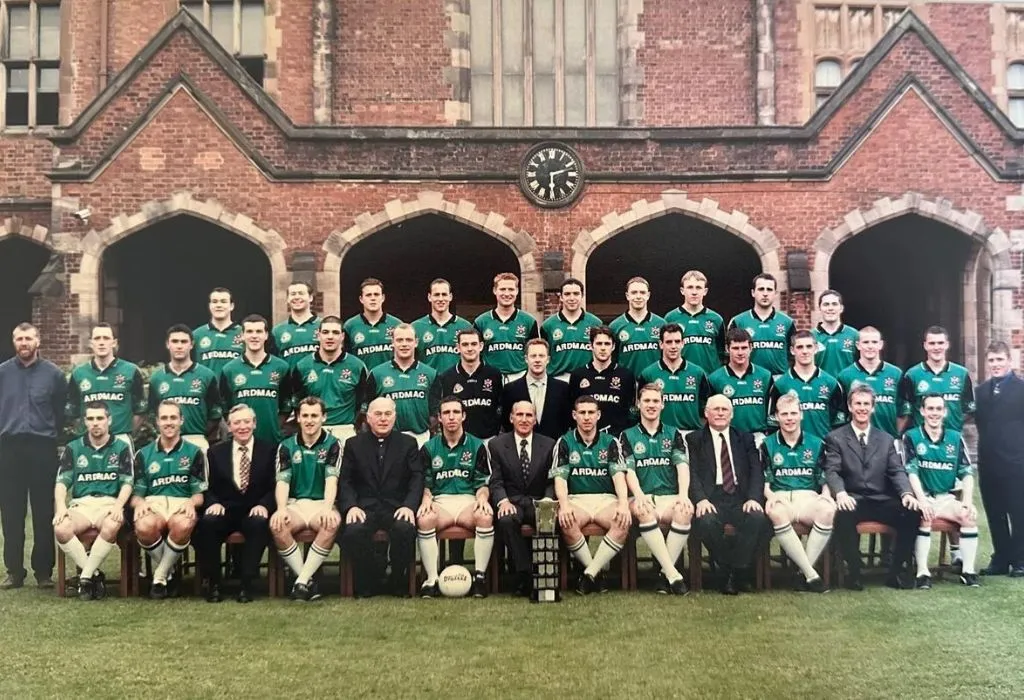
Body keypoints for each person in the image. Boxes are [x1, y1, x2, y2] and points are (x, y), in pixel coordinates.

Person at [824, 384, 921, 590]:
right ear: (850, 407)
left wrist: (906, 493)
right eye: (858, 404)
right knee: (843, 514)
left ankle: (895, 573)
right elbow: (832, 471)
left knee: (911, 512)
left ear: (873, 407)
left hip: (880, 499)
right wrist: (840, 493)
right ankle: (854, 573)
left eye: (866, 404)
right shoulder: (836, 438)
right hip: (853, 498)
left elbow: (896, 471)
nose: (862, 408)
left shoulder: (885, 439)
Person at [0, 322, 67, 589]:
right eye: (19, 339)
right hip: (9, 448)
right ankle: (14, 571)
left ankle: (43, 572)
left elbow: (60, 412)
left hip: (42, 447)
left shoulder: (54, 375)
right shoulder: (3, 373)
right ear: (14, 342)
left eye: (28, 338)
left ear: (38, 341)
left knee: (43, 511)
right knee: (11, 512)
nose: (24, 343)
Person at [338, 397, 423, 598]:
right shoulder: (353, 444)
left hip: (396, 506)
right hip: (364, 507)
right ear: (368, 418)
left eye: (387, 414)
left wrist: (409, 506)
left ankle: (397, 580)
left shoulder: (408, 443)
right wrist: (351, 506)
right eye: (378, 414)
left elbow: (417, 478)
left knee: (405, 528)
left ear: (395, 416)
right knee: (353, 531)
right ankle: (369, 578)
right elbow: (345, 481)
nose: (383, 419)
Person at [687, 394, 768, 595]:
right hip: (711, 497)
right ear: (706, 413)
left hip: (740, 497)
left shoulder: (745, 438)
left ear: (731, 415)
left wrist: (753, 498)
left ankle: (735, 570)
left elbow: (756, 471)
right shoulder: (694, 439)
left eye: (725, 410)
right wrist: (701, 499)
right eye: (716, 409)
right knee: (706, 522)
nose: (720, 413)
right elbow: (692, 473)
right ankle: (730, 571)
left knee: (759, 518)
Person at [551, 396, 632, 595]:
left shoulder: (611, 442)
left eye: (591, 413)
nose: (587, 417)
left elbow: (619, 477)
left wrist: (623, 503)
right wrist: (564, 505)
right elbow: (560, 479)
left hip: (605, 499)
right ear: (574, 415)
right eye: (582, 413)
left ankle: (589, 574)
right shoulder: (564, 442)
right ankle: (596, 574)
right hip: (577, 499)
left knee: (622, 522)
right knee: (566, 521)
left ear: (598, 415)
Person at [52, 402, 133, 600]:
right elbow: (62, 483)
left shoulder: (122, 447)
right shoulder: (73, 447)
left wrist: (118, 506)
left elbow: (127, 483)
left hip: (108, 503)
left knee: (112, 524)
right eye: (90, 419)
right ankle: (94, 576)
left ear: (109, 420)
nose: (95, 423)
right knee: (61, 528)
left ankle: (86, 577)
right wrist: (61, 507)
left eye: (100, 418)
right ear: (85, 422)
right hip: (82, 504)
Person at [415, 397, 493, 598]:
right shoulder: (428, 447)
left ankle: (480, 578)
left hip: (468, 501)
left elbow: (482, 483)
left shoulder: (477, 446)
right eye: (446, 413)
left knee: (485, 516)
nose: (451, 417)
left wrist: (482, 498)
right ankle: (432, 580)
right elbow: (426, 484)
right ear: (439, 418)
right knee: (424, 519)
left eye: (456, 412)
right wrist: (426, 498)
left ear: (463, 416)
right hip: (441, 502)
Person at [199, 404, 277, 603]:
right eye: (237, 423)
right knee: (208, 523)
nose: (242, 427)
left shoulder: (269, 450)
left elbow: (274, 486)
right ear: (229, 426)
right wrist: (213, 503)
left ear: (254, 424)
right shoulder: (215, 452)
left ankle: (246, 584)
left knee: (259, 524)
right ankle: (214, 583)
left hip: (254, 509)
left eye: (247, 422)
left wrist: (264, 505)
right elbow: (207, 486)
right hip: (225, 509)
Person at [620, 384, 691, 594]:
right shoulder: (627, 435)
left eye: (655, 401)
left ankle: (663, 574)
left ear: (662, 404)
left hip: (668, 496)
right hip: (643, 495)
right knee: (643, 510)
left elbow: (682, 466)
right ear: (638, 404)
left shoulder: (674, 433)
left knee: (685, 510)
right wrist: (639, 495)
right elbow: (629, 471)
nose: (651, 405)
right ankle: (673, 575)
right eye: (646, 401)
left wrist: (683, 495)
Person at [902, 394, 980, 588]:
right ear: (922, 411)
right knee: (924, 516)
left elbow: (967, 473)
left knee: (968, 516)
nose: (934, 413)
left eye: (938, 409)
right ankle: (922, 572)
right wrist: (922, 500)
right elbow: (911, 472)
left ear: (945, 412)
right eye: (930, 409)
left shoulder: (955, 437)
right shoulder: (911, 436)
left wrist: (967, 501)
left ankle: (968, 572)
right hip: (924, 497)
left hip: (945, 498)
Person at [132, 401, 208, 599]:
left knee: (183, 524)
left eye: (173, 417)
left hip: (181, 502)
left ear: (181, 420)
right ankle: (170, 573)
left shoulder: (195, 452)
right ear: (157, 422)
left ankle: (159, 577)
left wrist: (191, 502)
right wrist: (140, 503)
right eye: (164, 418)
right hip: (154, 503)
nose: (169, 422)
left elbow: (199, 495)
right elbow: (136, 495)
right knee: (144, 526)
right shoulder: (143, 454)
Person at [271, 397, 342, 602]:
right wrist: (281, 509)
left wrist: (328, 508)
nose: (310, 420)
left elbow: (331, 480)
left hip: (321, 503)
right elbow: (283, 482)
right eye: (305, 416)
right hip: (296, 504)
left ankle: (301, 581)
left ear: (323, 418)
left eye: (314, 416)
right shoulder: (286, 446)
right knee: (277, 525)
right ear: (298, 418)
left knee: (331, 522)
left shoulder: (333, 444)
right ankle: (307, 581)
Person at [761, 392, 833, 592]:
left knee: (828, 510)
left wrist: (826, 495)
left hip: (807, 496)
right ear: (777, 417)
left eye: (793, 413)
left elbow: (823, 477)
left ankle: (803, 573)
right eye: (784, 414)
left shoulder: (817, 443)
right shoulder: (767, 444)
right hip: (781, 496)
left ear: (801, 415)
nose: (789, 418)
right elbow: (764, 481)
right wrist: (770, 496)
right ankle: (811, 575)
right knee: (775, 511)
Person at [488, 401, 556, 596]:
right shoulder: (496, 444)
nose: (524, 419)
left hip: (538, 501)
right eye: (519, 415)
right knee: (506, 520)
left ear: (535, 420)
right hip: (512, 501)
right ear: (511, 418)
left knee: (549, 519)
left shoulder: (549, 444)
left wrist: (547, 500)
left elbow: (552, 480)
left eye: (529, 415)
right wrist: (503, 501)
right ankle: (525, 574)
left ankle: (547, 576)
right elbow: (496, 480)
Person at [974, 340, 1024, 577]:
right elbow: (980, 424)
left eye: (1000, 360)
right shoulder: (981, 392)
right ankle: (1001, 559)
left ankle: (1020, 560)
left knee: (1018, 511)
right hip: (988, 463)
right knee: (995, 513)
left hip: (1016, 462)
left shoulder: (1021, 389)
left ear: (1009, 361)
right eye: (992, 360)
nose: (996, 364)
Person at [65, 323, 146, 445]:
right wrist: (85, 432)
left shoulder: (131, 371)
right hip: (88, 440)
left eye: (106, 338)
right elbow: (73, 411)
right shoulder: (79, 373)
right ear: (91, 343)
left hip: (120, 438)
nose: (101, 342)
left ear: (114, 343)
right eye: (97, 338)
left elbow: (140, 410)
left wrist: (126, 433)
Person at [293, 315, 368, 444]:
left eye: (335, 332)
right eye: (325, 332)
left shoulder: (357, 366)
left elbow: (364, 401)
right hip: (313, 430)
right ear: (318, 335)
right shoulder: (302, 366)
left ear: (342, 336)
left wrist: (357, 425)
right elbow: (297, 403)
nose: (330, 337)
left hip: (346, 430)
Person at [220, 315, 293, 445]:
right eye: (249, 331)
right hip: (241, 441)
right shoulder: (229, 369)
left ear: (266, 335)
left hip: (271, 440)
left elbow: (286, 405)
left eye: (259, 331)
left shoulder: (281, 367)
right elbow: (225, 407)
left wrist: (275, 426)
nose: (254, 336)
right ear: (242, 336)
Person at [148, 324, 222, 451]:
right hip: (166, 440)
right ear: (167, 344)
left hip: (196, 439)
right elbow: (152, 412)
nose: (179, 346)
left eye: (184, 341)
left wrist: (200, 432)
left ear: (191, 344)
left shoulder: (206, 375)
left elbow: (215, 413)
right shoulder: (157, 378)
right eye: (175, 341)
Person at [365, 324, 441, 447]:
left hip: (420, 438)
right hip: (387, 439)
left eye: (409, 340)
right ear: (392, 342)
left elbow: (435, 410)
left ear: (416, 342)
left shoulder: (430, 374)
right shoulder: (377, 373)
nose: (404, 344)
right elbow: (368, 408)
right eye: (400, 340)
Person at [768, 330, 845, 441]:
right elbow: (773, 425)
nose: (805, 351)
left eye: (809, 346)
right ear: (792, 350)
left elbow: (840, 425)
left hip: (824, 447)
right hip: (792, 448)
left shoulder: (831, 383)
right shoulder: (780, 385)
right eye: (800, 347)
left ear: (816, 348)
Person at [637, 323, 712, 436]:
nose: (673, 346)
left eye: (677, 341)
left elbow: (706, 408)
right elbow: (641, 409)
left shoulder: (698, 373)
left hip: (692, 434)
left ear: (683, 343)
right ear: (661, 344)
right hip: (660, 435)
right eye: (668, 342)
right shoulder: (648, 374)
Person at [898, 325, 975, 433]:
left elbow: (969, 409)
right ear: (925, 345)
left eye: (940, 343)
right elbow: (906, 411)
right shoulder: (912, 375)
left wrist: (954, 426)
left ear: (947, 345)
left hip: (952, 439)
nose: (936, 347)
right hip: (922, 440)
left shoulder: (961, 374)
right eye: (932, 343)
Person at [708, 328, 773, 446]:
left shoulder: (765, 376)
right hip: (727, 437)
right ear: (727, 349)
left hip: (757, 437)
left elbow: (772, 411)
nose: (740, 352)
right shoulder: (715, 378)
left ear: (751, 348)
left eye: (744, 348)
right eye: (735, 348)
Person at [568, 325, 636, 436]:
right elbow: (572, 411)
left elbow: (630, 411)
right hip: (586, 438)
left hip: (616, 438)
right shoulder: (578, 375)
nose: (603, 348)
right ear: (591, 346)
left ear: (613, 346)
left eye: (607, 344)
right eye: (599, 344)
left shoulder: (626, 375)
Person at [836, 326, 903, 438]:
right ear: (858, 345)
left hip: (888, 439)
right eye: (866, 342)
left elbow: (903, 411)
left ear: (881, 344)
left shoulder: (895, 373)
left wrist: (894, 434)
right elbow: (841, 413)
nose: (870, 346)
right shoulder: (845, 376)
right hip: (855, 440)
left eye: (874, 342)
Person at [473, 272, 539, 384]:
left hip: (520, 377)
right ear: (495, 290)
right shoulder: (481, 321)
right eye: (503, 289)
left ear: (517, 291)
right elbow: (475, 353)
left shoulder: (529, 321)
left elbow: (534, 352)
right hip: (490, 378)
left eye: (511, 289)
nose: (507, 293)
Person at [438, 328, 503, 440]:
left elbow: (501, 407)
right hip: (460, 441)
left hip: (489, 439)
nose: (469, 348)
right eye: (465, 344)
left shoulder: (494, 374)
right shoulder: (447, 377)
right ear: (458, 347)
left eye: (474, 344)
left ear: (481, 346)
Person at [501, 338, 571, 439]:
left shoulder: (563, 388)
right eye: (533, 356)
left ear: (548, 359)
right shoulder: (510, 389)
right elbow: (506, 423)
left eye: (541, 356)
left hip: (554, 445)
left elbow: (566, 422)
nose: (537, 360)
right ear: (526, 359)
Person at [728, 273, 796, 377]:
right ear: (753, 292)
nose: (765, 293)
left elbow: (794, 355)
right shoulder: (738, 321)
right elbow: (729, 354)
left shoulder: (787, 322)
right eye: (761, 289)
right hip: (749, 378)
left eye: (769, 290)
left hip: (779, 378)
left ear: (775, 293)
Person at [541, 278, 601, 381]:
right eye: (567, 294)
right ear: (561, 297)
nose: (572, 298)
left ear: (582, 296)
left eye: (576, 294)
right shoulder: (548, 325)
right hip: (558, 378)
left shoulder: (595, 323)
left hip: (588, 378)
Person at [665, 270, 725, 373]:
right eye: (690, 287)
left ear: (705, 291)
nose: (694, 292)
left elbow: (721, 352)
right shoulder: (670, 318)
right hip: (681, 377)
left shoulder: (716, 319)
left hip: (709, 377)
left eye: (698, 287)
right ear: (682, 290)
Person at [412, 278, 473, 374]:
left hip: (457, 381)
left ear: (450, 297)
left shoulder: (465, 326)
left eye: (444, 294)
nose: (440, 299)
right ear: (429, 297)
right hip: (427, 381)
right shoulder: (416, 327)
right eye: (436, 295)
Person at [609, 276, 665, 376]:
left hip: (655, 382)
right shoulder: (615, 326)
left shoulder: (661, 324)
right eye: (634, 292)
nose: (638, 296)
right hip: (626, 382)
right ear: (627, 296)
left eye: (642, 293)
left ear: (648, 295)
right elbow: (611, 360)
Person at [343, 277, 403, 371]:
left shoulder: (397, 325)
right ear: (361, 299)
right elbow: (345, 359)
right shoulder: (349, 326)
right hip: (361, 379)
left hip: (390, 379)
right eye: (368, 295)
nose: (373, 298)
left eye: (376, 294)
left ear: (383, 298)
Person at [192, 287, 243, 375]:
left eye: (223, 301)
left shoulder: (244, 333)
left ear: (232, 306)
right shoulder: (197, 335)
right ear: (209, 305)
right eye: (215, 302)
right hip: (206, 384)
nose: (219, 305)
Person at [271, 282, 321, 369]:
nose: (297, 297)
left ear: (310, 297)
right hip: (289, 377)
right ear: (287, 299)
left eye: (301, 293)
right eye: (293, 294)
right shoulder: (277, 330)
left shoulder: (323, 326)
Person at [812, 290, 859, 377]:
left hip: (847, 385)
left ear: (841, 308)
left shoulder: (854, 335)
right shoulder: (811, 336)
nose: (830, 308)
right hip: (820, 385)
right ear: (819, 308)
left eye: (834, 304)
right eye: (826, 304)